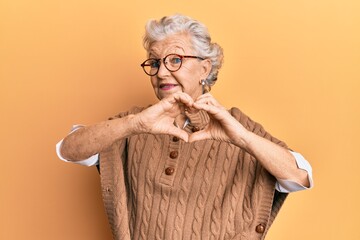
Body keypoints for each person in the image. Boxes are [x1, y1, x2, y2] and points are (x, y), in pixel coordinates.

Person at [56, 14, 313, 240]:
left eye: (175, 60)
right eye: (155, 63)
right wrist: (134, 124)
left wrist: (243, 139)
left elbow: (300, 177)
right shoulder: (133, 123)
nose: (162, 73)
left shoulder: (235, 124)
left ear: (204, 68)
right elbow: (69, 149)